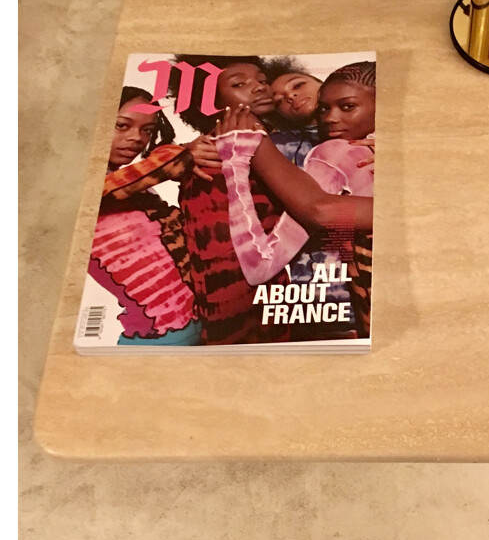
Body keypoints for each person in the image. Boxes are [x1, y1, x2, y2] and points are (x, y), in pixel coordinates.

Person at [215, 61, 376, 338]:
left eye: (347, 106)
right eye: (325, 108)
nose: (330, 118)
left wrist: (238, 158)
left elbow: (317, 211)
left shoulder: (337, 152)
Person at [168, 55, 291, 346]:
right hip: (247, 319)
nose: (260, 87)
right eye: (239, 83)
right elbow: (219, 264)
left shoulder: (278, 139)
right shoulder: (208, 159)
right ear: (208, 101)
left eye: (262, 80)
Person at [87, 87, 201, 346]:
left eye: (147, 130)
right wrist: (185, 152)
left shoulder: (141, 185)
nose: (136, 138)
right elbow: (162, 163)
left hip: (205, 326)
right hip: (157, 339)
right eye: (121, 125)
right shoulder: (77, 185)